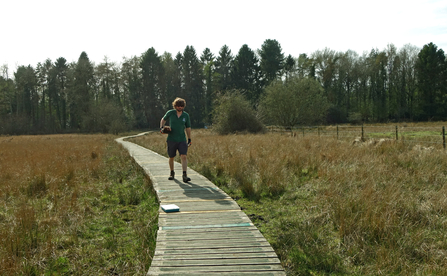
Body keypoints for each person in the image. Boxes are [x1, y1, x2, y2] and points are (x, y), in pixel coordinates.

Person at [160, 97, 192, 182]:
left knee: (183, 156)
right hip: (171, 139)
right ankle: (172, 173)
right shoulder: (170, 113)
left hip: (182, 139)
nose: (180, 107)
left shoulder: (186, 115)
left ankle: (184, 175)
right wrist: (161, 128)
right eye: (178, 106)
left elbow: (188, 127)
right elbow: (163, 119)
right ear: (175, 106)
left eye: (181, 106)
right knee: (171, 157)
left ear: (183, 106)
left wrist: (189, 138)